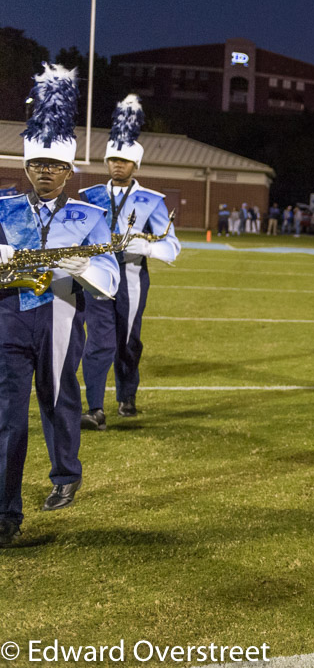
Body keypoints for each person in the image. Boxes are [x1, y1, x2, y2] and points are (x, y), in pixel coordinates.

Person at [0, 65, 120, 546]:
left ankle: (65, 472)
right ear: (26, 167)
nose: (45, 172)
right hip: (9, 319)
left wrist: (81, 266)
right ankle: (6, 514)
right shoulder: (3, 210)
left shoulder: (90, 216)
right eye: (37, 165)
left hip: (63, 319)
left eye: (55, 166)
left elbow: (110, 278)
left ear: (70, 171)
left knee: (57, 399)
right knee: (7, 416)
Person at [79, 95, 181, 429]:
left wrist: (143, 246)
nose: (117, 165)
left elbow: (172, 246)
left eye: (124, 160)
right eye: (113, 159)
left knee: (126, 341)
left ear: (135, 164)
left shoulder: (152, 201)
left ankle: (127, 393)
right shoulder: (91, 196)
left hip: (132, 276)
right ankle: (94, 407)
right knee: (98, 341)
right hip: (96, 275)